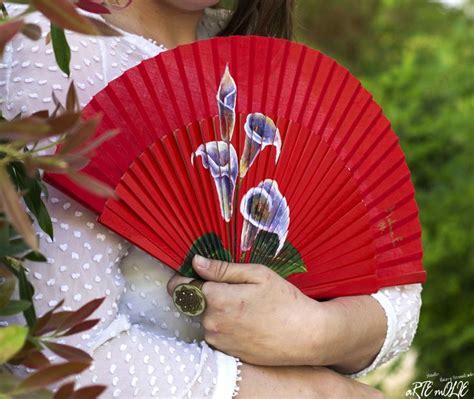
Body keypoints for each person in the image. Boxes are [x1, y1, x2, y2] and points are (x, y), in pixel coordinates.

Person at [0, 1, 422, 397]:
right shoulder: (49, 46)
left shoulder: (261, 58)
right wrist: (321, 391)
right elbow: (59, 352)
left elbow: (395, 295)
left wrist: (314, 330)